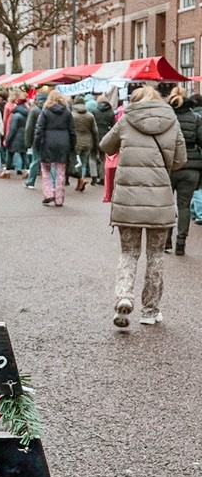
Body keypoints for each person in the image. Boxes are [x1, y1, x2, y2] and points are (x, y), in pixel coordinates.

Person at [100, 86, 186, 328]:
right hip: (159, 201)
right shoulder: (172, 121)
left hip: (128, 200)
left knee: (129, 253)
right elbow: (180, 161)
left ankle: (124, 296)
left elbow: (106, 146)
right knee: (155, 256)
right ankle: (150, 310)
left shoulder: (127, 119)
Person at [165, 87, 202, 255]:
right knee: (184, 206)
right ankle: (181, 243)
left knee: (166, 204)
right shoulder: (196, 118)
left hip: (169, 165)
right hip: (191, 166)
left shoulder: (167, 118)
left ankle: (166, 241)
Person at [33, 90, 76, 207]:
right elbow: (72, 131)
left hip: (47, 143)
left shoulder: (45, 112)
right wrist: (72, 146)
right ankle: (59, 198)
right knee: (61, 172)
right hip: (64, 143)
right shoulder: (67, 113)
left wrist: (36, 144)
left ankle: (48, 193)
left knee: (45, 170)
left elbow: (39, 129)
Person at [71, 95, 99, 190]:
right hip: (88, 141)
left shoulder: (72, 115)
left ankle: (79, 180)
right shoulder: (90, 115)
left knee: (76, 162)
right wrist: (96, 143)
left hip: (76, 141)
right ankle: (82, 178)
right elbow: (95, 131)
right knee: (84, 162)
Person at [24, 90, 48, 189]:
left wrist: (27, 142)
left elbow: (29, 127)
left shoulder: (34, 110)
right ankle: (49, 184)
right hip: (48, 139)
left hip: (36, 138)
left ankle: (30, 181)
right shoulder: (49, 109)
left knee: (35, 160)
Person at [5, 97, 29, 177]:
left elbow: (13, 128)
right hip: (24, 135)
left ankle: (7, 172)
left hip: (15, 137)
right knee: (23, 154)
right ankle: (27, 171)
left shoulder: (16, 115)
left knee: (10, 153)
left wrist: (8, 139)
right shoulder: (27, 113)